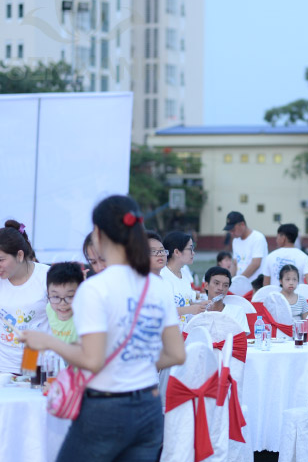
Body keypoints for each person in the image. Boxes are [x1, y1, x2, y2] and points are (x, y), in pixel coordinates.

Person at [20, 195, 185, 461]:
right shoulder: (156, 285)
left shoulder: (95, 289)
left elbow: (92, 360)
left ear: (97, 233)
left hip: (106, 409)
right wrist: (134, 364)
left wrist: (48, 341)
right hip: (150, 407)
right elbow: (177, 354)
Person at [0, 220, 50, 373]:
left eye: (1, 260)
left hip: (40, 368)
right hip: (3, 370)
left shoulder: (46, 277)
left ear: (20, 255)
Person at [161, 231, 205, 325]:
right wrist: (190, 309)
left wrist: (201, 305)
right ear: (177, 252)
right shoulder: (162, 275)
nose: (193, 253)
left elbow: (186, 303)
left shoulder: (184, 273)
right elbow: (162, 310)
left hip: (184, 332)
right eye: (190, 249)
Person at [224, 211, 269, 282]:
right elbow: (235, 264)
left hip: (255, 284)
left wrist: (239, 280)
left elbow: (256, 264)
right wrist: (229, 280)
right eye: (230, 231)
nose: (231, 233)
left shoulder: (257, 238)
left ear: (242, 224)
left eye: (233, 230)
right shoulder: (236, 240)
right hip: (242, 284)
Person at [203, 267, 249, 334]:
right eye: (216, 283)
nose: (221, 288)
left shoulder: (237, 311)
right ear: (206, 285)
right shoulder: (196, 311)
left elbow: (241, 339)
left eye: (225, 285)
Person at [45, 262, 84, 344]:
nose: (62, 303)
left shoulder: (85, 316)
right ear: (48, 293)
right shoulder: (49, 309)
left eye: (70, 296)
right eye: (55, 297)